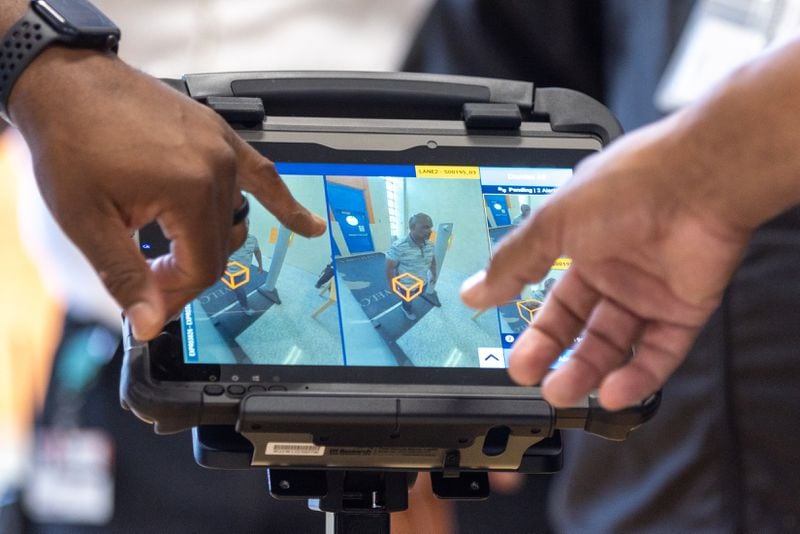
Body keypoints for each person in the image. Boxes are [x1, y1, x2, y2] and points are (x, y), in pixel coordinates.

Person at [385, 213, 437, 321]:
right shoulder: (399, 246)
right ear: (412, 227)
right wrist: (391, 285)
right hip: (406, 285)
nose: (430, 231)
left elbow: (432, 260)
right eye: (425, 227)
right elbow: (390, 268)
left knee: (420, 292)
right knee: (407, 301)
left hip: (422, 280)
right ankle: (406, 309)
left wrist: (434, 274)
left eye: (430, 227)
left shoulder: (430, 244)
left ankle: (413, 297)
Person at [226, 218, 263, 317]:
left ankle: (231, 285)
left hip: (245, 269)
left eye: (246, 224)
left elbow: (257, 251)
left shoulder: (253, 239)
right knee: (240, 289)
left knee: (238, 282)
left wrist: (260, 265)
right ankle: (245, 307)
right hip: (233, 271)